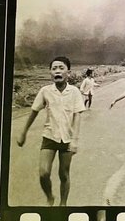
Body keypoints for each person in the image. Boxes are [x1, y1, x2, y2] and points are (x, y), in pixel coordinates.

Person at [16, 56, 85, 206]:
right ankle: (50, 197)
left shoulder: (74, 92)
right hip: (49, 136)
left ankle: (63, 204)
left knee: (64, 175)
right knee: (43, 173)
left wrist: (75, 140)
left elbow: (77, 116)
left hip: (67, 139)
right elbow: (34, 111)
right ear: (50, 73)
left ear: (68, 72)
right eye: (54, 69)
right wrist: (23, 132)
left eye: (61, 68)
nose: (57, 71)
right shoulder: (45, 91)